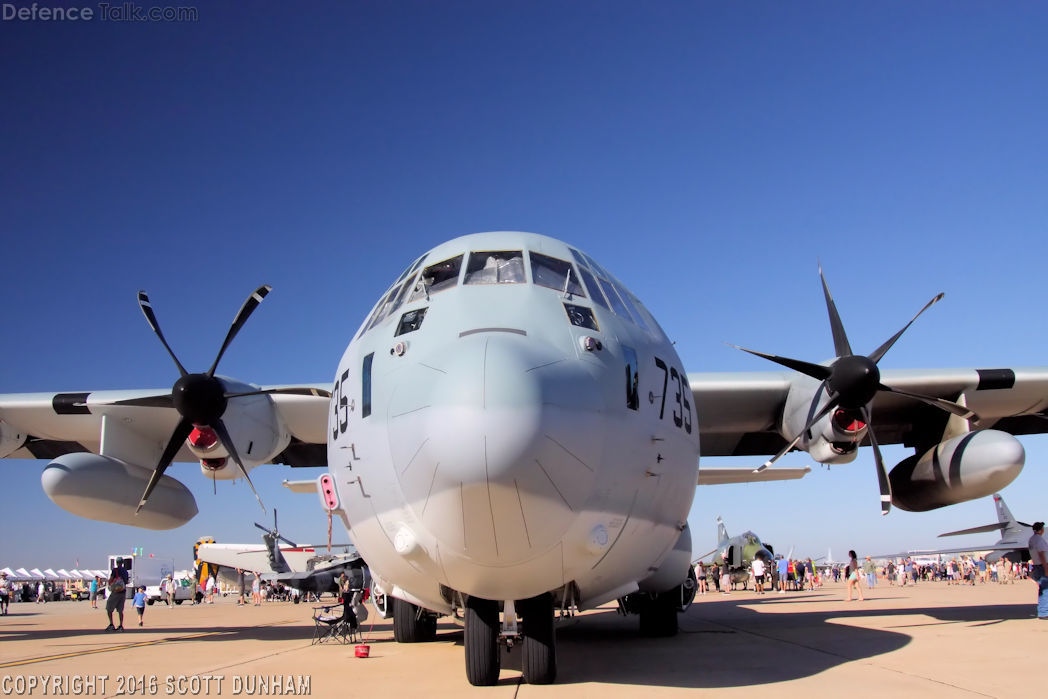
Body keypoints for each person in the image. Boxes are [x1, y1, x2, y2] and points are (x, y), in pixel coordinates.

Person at [1027, 522, 1048, 620]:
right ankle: (1044, 613)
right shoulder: (1039, 539)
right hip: (1042, 566)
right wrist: (1046, 568)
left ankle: (1042, 611)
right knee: (1045, 590)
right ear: (1041, 529)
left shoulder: (1031, 539)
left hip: (1037, 566)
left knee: (1042, 590)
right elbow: (1041, 554)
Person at [106, 558, 129, 631]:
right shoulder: (125, 571)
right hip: (123, 591)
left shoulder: (115, 570)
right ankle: (121, 625)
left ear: (116, 562)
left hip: (116, 592)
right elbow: (126, 581)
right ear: (122, 563)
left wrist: (110, 584)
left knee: (109, 608)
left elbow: (111, 579)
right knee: (120, 610)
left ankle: (111, 624)